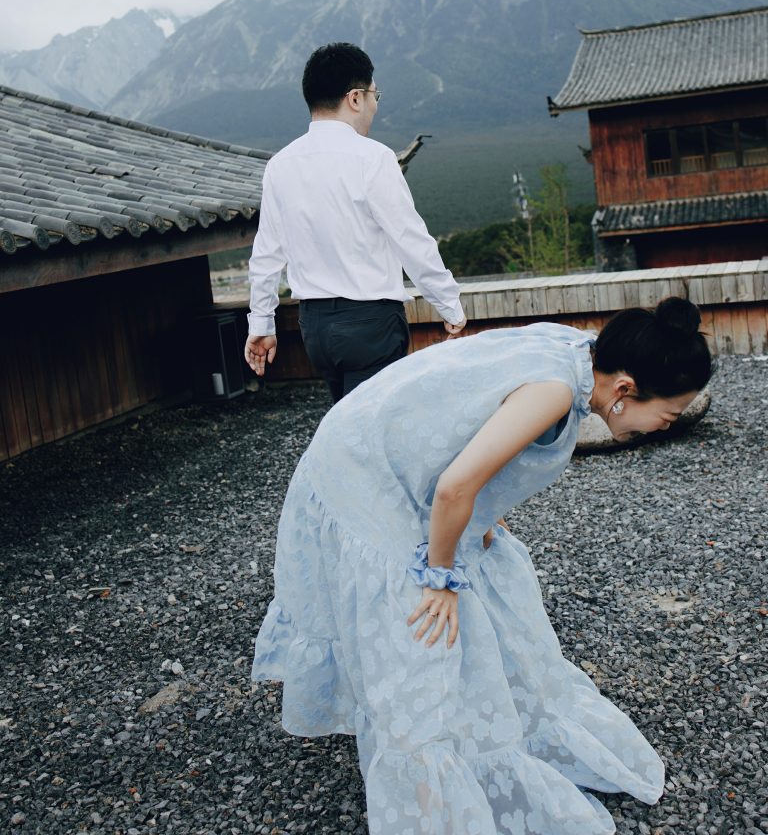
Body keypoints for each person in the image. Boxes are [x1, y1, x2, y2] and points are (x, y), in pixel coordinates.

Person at [251, 297, 712, 834]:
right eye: (667, 416)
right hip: (363, 468)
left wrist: (483, 510)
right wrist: (439, 577)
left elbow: (472, 407)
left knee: (490, 570)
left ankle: (488, 725)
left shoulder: (576, 348)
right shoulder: (555, 389)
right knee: (422, 624)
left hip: (380, 446)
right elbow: (454, 488)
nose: (663, 428)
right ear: (625, 389)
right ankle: (426, 772)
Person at [244, 42, 465, 402]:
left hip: (314, 327)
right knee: (375, 426)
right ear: (356, 98)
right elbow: (410, 239)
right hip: (370, 324)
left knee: (346, 422)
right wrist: (448, 303)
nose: (375, 105)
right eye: (376, 95)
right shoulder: (374, 158)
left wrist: (262, 324)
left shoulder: (280, 165)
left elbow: (266, 254)